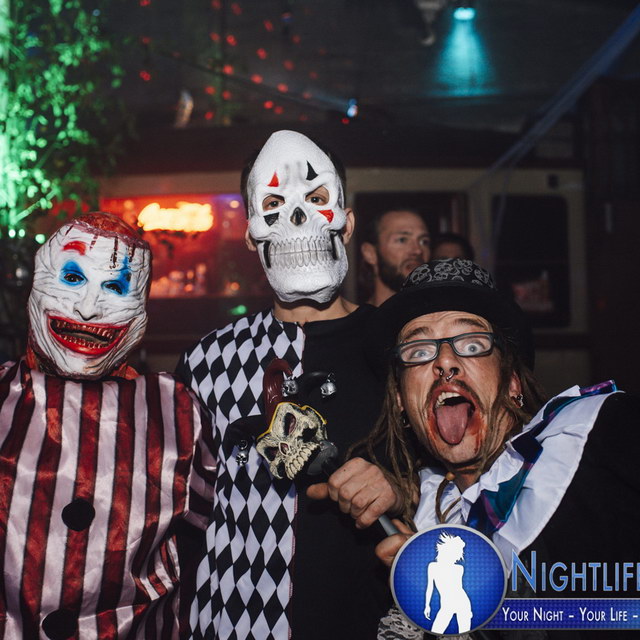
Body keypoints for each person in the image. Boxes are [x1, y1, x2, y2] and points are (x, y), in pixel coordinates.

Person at [177, 130, 398, 640]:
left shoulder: (398, 349)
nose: (297, 217)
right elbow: (184, 512)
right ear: (251, 235)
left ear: (346, 224)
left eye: (317, 199)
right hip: (235, 622)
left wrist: (403, 487)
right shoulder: (210, 358)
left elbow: (462, 477)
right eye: (273, 205)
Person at [362, 258, 639, 638]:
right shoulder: (423, 523)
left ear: (511, 383)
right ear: (400, 400)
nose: (445, 362)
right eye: (419, 350)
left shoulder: (599, 432)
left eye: (472, 344)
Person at [0, 212, 216, 639]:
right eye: (72, 279)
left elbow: (223, 533)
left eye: (115, 288)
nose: (87, 307)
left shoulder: (176, 412)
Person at [359, 208, 431, 306]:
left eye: (424, 241)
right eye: (402, 240)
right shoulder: (356, 316)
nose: (418, 250)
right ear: (370, 253)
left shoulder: (444, 314)